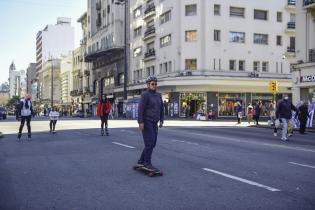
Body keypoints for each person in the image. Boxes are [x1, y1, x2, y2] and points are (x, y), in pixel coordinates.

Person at [136, 76, 164, 172]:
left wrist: (161, 120)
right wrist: (140, 122)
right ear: (148, 85)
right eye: (153, 84)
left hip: (154, 122)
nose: (154, 85)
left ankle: (141, 161)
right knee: (149, 143)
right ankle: (147, 163)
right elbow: (140, 109)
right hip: (147, 121)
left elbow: (161, 108)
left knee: (153, 143)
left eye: (156, 84)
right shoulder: (145, 95)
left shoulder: (158, 95)